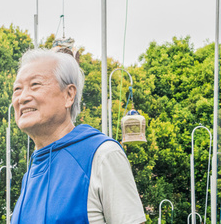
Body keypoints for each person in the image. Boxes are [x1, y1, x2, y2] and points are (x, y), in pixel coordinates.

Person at [11, 48, 145, 224]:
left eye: (35, 85)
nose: (22, 98)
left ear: (69, 95)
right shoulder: (31, 174)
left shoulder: (101, 154)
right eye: (17, 89)